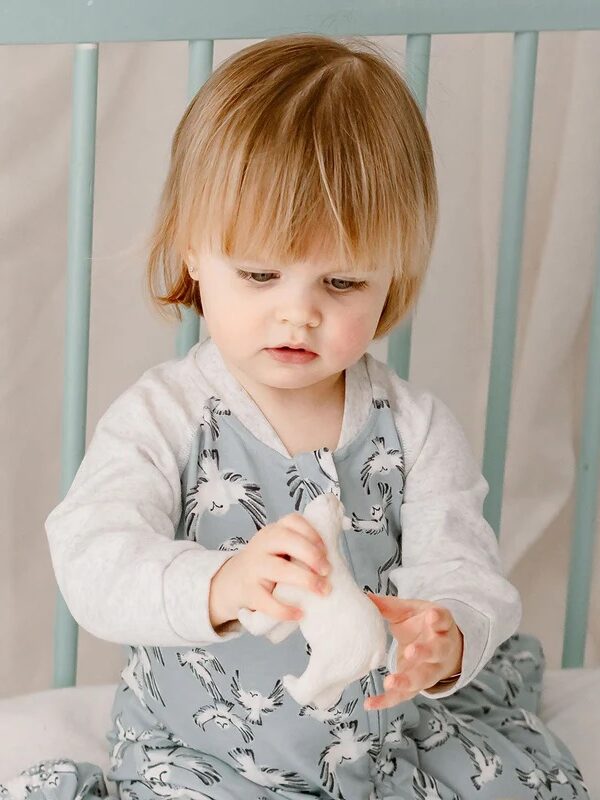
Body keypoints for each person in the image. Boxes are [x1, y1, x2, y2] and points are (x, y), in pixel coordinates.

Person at [23, 33, 589, 800]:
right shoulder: (167, 417)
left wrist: (446, 633)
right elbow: (92, 554)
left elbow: (464, 567)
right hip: (204, 753)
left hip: (380, 744)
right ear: (194, 251)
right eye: (259, 273)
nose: (299, 313)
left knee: (532, 784)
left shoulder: (414, 429)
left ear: (394, 277)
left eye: (344, 282)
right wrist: (222, 584)